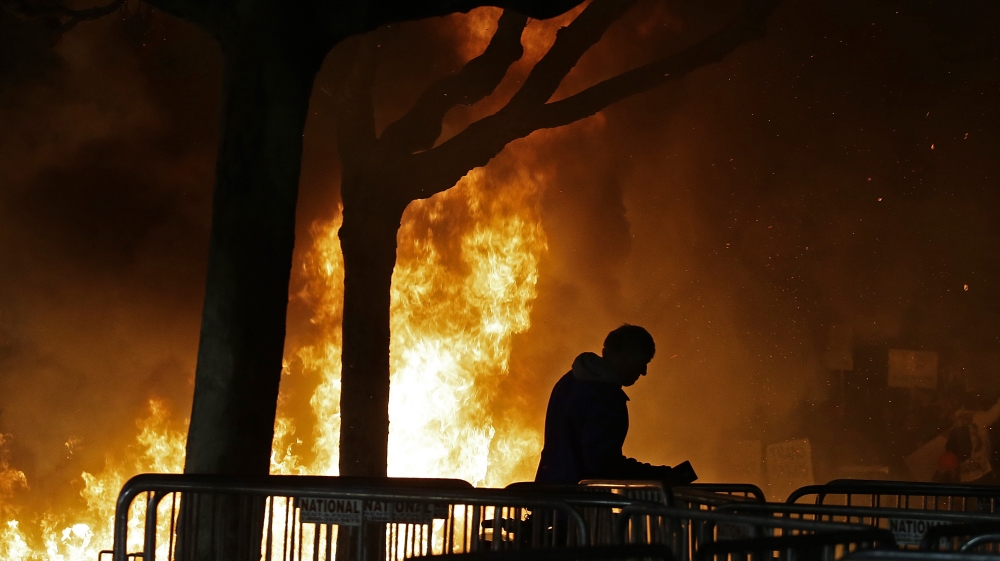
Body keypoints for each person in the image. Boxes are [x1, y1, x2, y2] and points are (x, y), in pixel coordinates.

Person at [534, 324, 697, 484]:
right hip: (578, 497)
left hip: (548, 492)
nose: (644, 372)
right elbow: (603, 465)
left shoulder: (569, 381)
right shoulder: (605, 397)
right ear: (627, 355)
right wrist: (661, 477)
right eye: (642, 362)